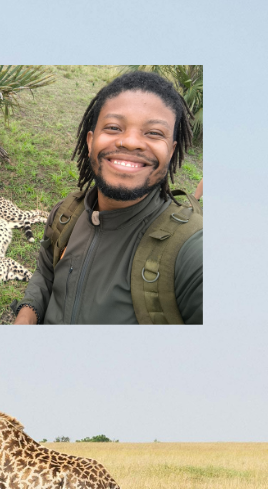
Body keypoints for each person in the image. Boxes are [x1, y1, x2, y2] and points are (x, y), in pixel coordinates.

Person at [15, 71, 202, 325]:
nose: (131, 142)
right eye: (114, 127)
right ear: (90, 141)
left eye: (154, 133)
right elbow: (45, 273)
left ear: (171, 151)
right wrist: (26, 315)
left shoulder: (192, 251)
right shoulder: (67, 213)